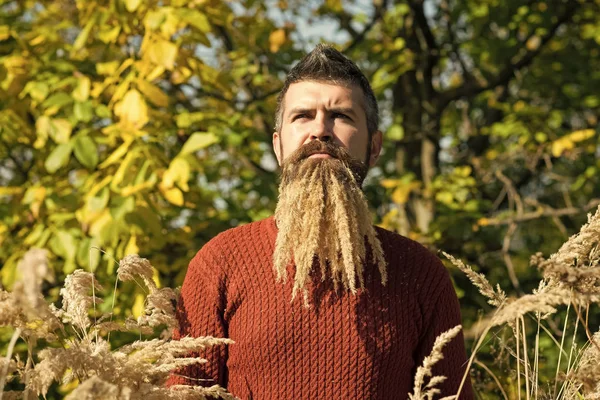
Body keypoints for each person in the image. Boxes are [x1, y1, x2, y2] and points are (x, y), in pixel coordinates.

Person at [167, 44, 473, 399]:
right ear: (278, 146)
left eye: (341, 116)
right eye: (302, 116)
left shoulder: (419, 274)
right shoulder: (220, 262)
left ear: (374, 147)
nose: (321, 131)